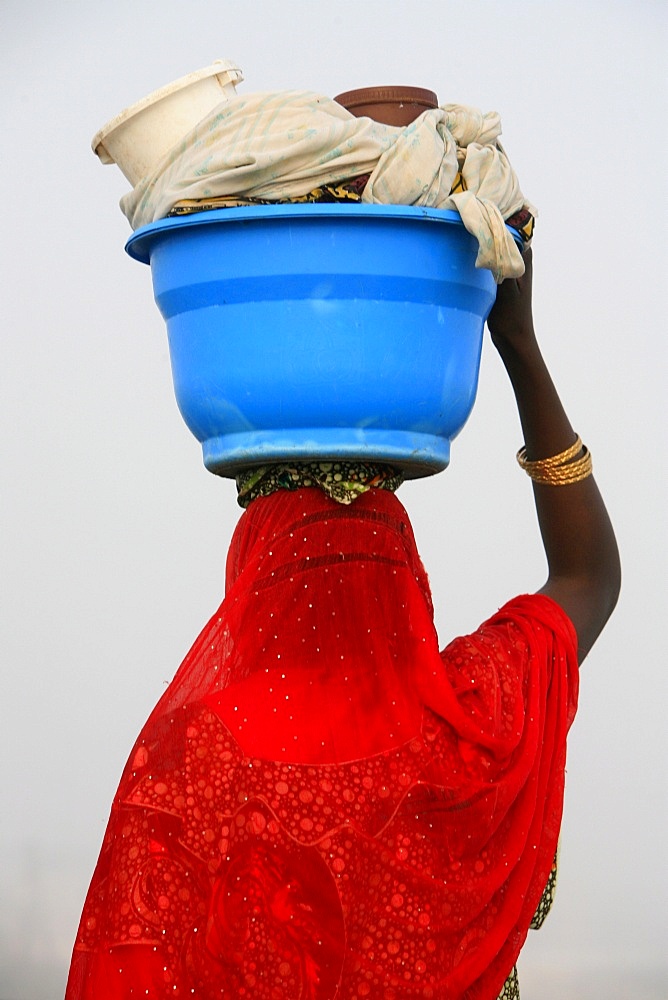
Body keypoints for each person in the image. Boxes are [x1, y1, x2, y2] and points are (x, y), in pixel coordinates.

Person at [65, 249, 620, 1000]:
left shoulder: (190, 761)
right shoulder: (471, 727)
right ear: (408, 582)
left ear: (253, 580)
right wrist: (519, 344)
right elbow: (588, 578)